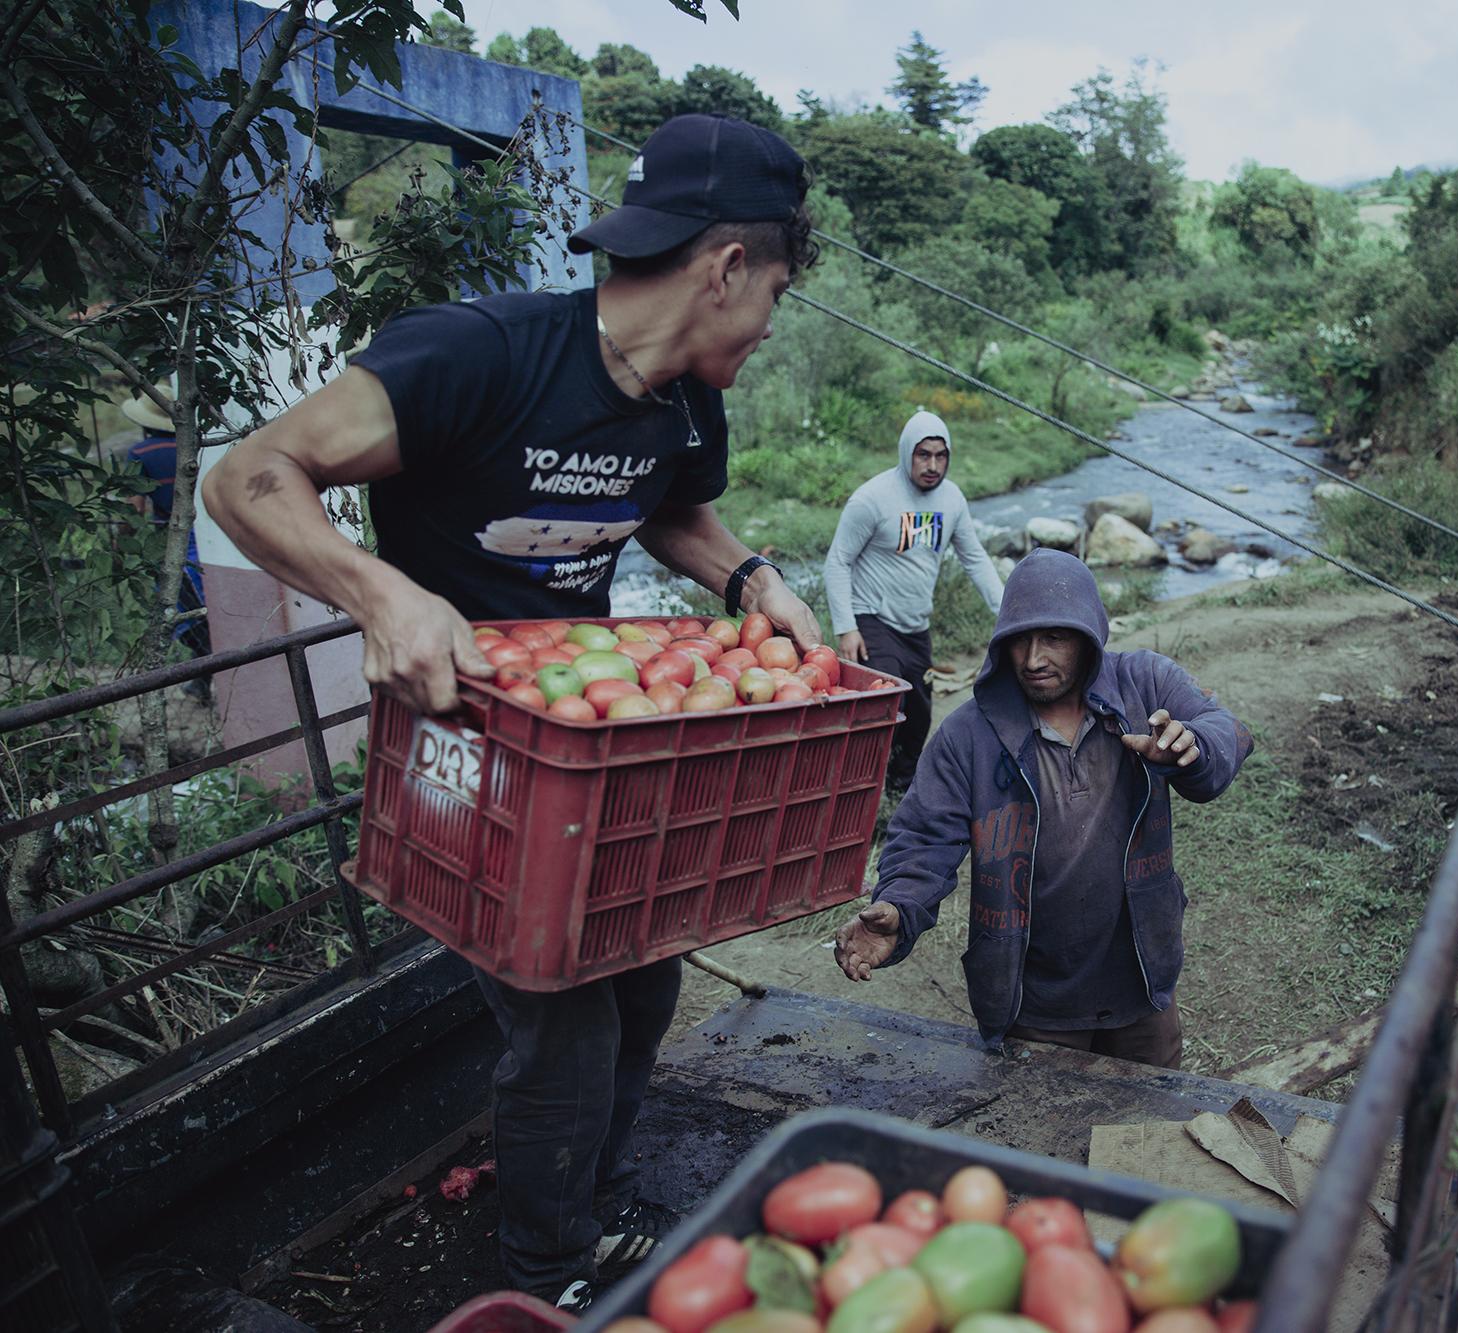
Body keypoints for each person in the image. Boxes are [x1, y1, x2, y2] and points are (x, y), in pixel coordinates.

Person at [202, 114, 822, 1313]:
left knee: (645, 979)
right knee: (562, 1017)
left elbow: (672, 511)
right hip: (464, 750)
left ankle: (578, 1198)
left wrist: (752, 581)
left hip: (584, 745)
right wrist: (379, 590)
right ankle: (551, 1274)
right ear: (728, 266)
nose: (769, 320)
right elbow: (250, 475)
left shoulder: (687, 404)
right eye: (778, 291)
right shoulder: (479, 355)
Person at [832, 549, 1253, 1068]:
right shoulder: (968, 735)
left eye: (1054, 638)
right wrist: (899, 908)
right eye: (1019, 641)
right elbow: (923, 839)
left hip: (1140, 978)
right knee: (1041, 1135)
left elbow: (1226, 728)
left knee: (1149, 1127)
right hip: (1032, 998)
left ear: (1089, 637)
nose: (1033, 659)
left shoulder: (1144, 684)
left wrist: (1194, 748)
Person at [822, 410, 1003, 788]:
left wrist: (1007, 611)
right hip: (871, 618)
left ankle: (898, 790)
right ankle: (858, 788)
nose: (933, 465)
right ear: (907, 453)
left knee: (919, 717)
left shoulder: (952, 499)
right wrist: (846, 627)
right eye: (924, 455)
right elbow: (837, 561)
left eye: (941, 455)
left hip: (916, 627)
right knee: (886, 705)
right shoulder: (872, 499)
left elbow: (974, 558)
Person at [121, 387, 211, 659]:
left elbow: (133, 507)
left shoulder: (140, 453)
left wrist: (122, 541)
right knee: (206, 607)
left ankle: (205, 666)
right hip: (209, 533)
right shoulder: (197, 447)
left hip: (171, 536)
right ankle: (203, 678)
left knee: (183, 610)